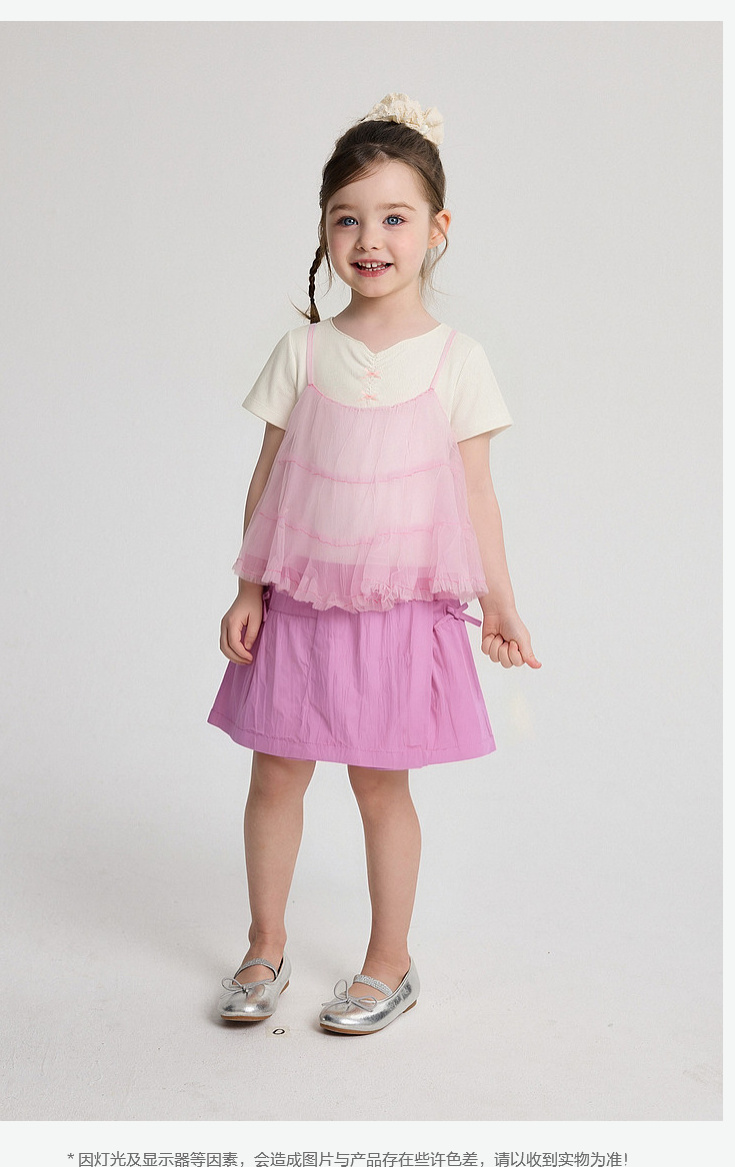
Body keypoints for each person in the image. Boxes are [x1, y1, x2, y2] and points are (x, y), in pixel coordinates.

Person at [208, 93, 541, 1035]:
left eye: (395, 217)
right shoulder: (305, 351)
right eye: (347, 218)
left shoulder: (457, 359)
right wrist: (247, 586)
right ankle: (265, 944)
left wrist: (502, 603)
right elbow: (269, 477)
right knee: (277, 773)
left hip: (400, 608)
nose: (370, 239)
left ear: (437, 228)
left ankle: (389, 961)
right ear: (324, 229)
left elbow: (477, 495)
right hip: (300, 602)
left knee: (379, 784)